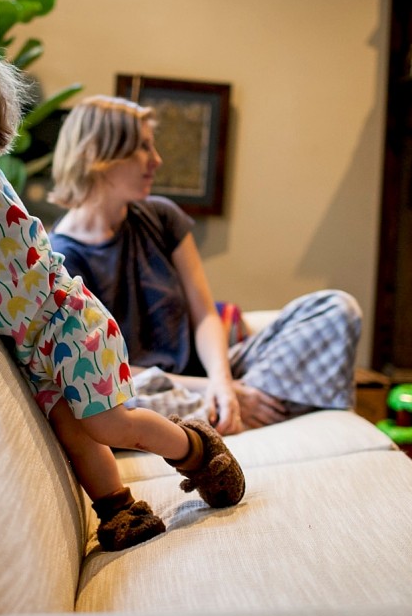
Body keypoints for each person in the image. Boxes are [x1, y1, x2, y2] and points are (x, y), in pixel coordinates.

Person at [0, 30, 244, 552]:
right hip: (37, 340)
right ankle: (118, 508)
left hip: (63, 323)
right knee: (74, 431)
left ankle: (197, 450)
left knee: (109, 423)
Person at [49, 95, 362, 436]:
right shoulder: (62, 260)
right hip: (147, 389)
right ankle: (248, 408)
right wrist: (208, 388)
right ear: (99, 155)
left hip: (219, 373)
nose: (157, 159)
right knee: (122, 410)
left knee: (337, 309)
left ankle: (230, 410)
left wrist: (223, 384)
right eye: (143, 147)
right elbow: (105, 371)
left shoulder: (162, 216)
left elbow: (205, 314)